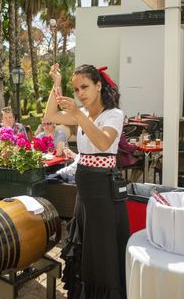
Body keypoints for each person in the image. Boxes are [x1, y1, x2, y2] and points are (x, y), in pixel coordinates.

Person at [43, 63, 129, 299]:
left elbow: (103, 143)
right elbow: (48, 116)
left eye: (85, 87)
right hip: (84, 190)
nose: (80, 93)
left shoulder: (114, 114)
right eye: (76, 89)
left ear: (98, 85)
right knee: (85, 246)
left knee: (100, 248)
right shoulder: (83, 115)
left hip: (102, 191)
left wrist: (78, 114)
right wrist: (57, 85)